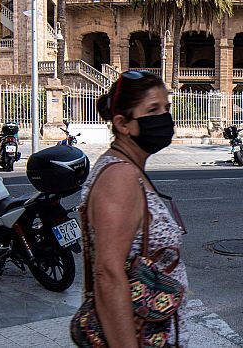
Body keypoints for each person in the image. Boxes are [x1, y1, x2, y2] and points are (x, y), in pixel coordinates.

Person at [78, 70, 187, 347]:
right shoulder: (121, 177)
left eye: (166, 108)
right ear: (123, 124)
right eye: (153, 110)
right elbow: (108, 274)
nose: (164, 118)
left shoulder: (129, 168)